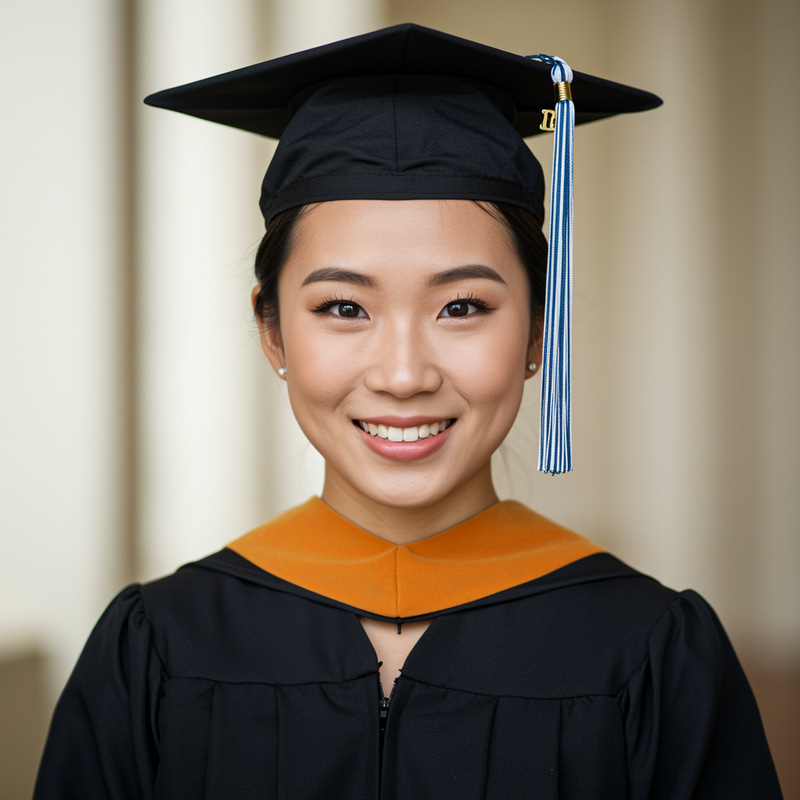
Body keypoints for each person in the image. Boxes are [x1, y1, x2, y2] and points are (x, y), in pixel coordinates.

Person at [34, 23, 781, 799]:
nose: (401, 374)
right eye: (343, 307)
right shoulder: (157, 648)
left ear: (537, 330)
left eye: (461, 306)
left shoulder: (652, 651)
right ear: (271, 329)